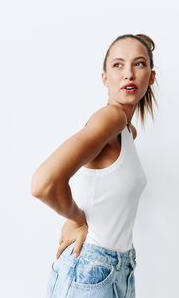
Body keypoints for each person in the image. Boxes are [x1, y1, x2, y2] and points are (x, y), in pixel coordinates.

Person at [31, 33, 157, 298]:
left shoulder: (127, 132)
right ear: (104, 79)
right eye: (118, 65)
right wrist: (76, 219)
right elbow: (43, 183)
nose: (128, 74)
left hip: (119, 271)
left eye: (139, 64)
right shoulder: (109, 118)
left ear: (151, 77)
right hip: (90, 272)